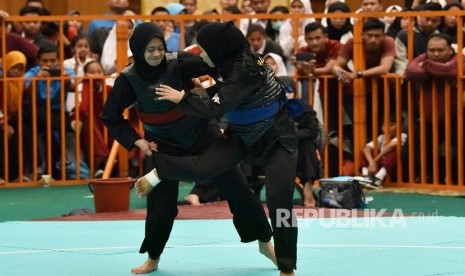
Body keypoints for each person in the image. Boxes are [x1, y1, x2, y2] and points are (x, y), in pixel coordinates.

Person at [100, 22, 276, 274]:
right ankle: (153, 257)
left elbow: (218, 64)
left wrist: (217, 92)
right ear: (137, 50)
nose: (156, 54)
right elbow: (111, 117)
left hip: (202, 134)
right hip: (161, 145)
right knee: (160, 206)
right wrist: (136, 141)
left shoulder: (180, 62)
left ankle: (265, 242)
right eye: (150, 50)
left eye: (160, 48)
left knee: (239, 189)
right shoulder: (128, 80)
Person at [138, 21, 299, 276]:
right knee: (204, 169)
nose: (201, 54)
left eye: (204, 49)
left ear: (218, 48)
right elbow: (187, 57)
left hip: (277, 136)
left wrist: (183, 98)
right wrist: (151, 55)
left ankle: (287, 266)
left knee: (280, 203)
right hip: (241, 134)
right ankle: (160, 171)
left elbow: (216, 107)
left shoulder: (246, 68)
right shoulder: (227, 58)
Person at [358, 113, 407, 189]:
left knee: (394, 151)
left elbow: (391, 146)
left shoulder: (402, 135)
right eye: (384, 126)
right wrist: (371, 163)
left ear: (400, 126)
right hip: (377, 167)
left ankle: (378, 179)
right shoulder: (381, 137)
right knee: (364, 151)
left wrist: (374, 162)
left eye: (391, 125)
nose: (387, 128)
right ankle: (366, 177)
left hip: (393, 169)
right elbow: (367, 148)